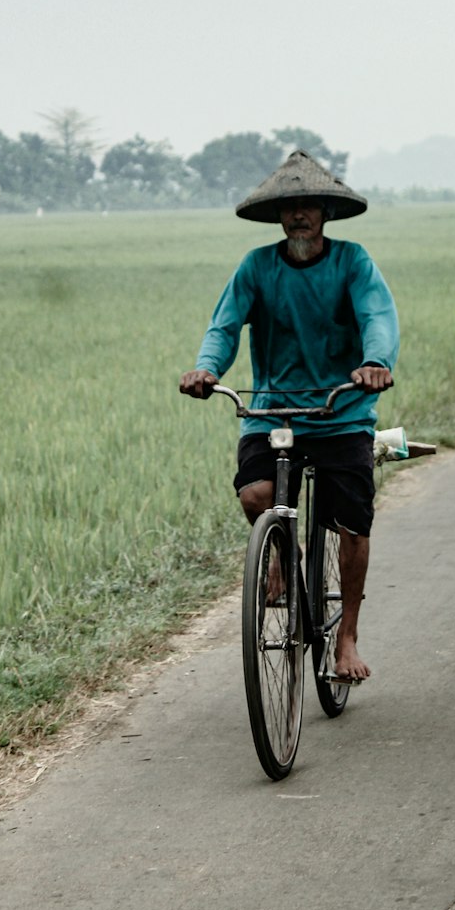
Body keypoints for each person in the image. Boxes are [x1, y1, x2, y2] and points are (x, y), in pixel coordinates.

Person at [179, 149, 399, 683]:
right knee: (257, 496)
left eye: (308, 206)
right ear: (279, 216)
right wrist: (206, 369)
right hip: (274, 410)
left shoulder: (353, 262)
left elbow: (377, 316)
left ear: (324, 212)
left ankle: (345, 636)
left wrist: (374, 363)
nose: (299, 215)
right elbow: (224, 327)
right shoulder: (257, 267)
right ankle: (280, 548)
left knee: (351, 522)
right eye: (289, 207)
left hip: (340, 412)